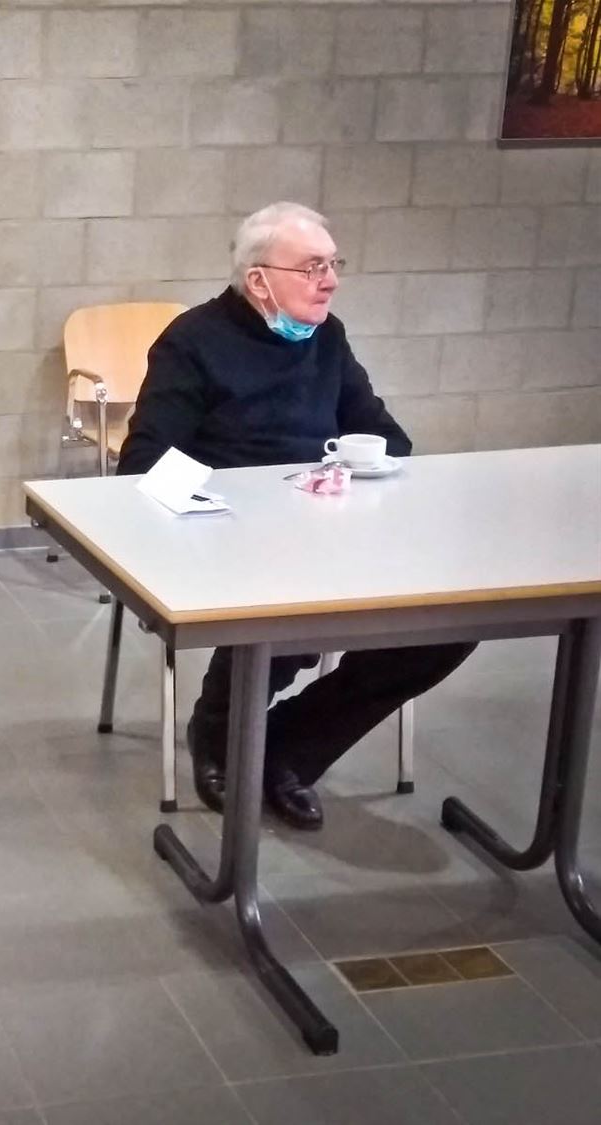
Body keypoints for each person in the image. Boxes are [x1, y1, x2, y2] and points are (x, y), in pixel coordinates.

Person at [116, 201, 473, 831]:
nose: (329, 281)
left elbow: (386, 436)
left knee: (450, 624)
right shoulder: (193, 342)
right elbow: (144, 464)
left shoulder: (327, 337)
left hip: (331, 526)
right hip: (227, 532)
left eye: (333, 265)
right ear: (259, 280)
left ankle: (285, 747)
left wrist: (352, 470)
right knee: (293, 598)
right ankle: (222, 732)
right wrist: (245, 498)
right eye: (312, 268)